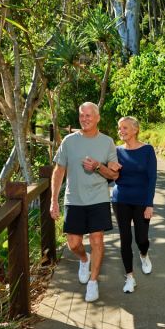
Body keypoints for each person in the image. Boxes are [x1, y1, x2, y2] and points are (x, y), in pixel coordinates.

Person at [50, 102, 121, 302]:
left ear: (97, 118)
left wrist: (98, 166)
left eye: (89, 115)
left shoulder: (107, 142)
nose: (85, 119)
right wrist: (53, 200)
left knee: (97, 239)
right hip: (74, 199)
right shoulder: (69, 141)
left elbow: (114, 175)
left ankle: (93, 282)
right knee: (73, 244)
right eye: (82, 115)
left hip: (98, 198)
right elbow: (59, 172)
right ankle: (84, 258)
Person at [112, 116, 157, 293]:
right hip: (120, 199)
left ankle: (144, 254)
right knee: (125, 239)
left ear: (135, 129)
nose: (121, 131)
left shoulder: (147, 150)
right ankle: (129, 277)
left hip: (141, 201)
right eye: (119, 128)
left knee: (141, 238)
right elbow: (110, 176)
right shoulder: (116, 151)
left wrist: (149, 204)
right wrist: (109, 169)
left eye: (124, 128)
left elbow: (152, 178)